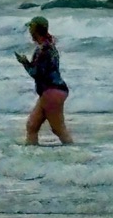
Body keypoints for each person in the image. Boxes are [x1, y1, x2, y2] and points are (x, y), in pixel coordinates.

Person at [15, 16, 73, 145]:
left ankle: (78, 156)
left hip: (51, 91)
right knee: (32, 125)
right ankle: (31, 154)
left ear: (35, 30)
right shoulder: (49, 46)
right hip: (53, 90)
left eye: (31, 27)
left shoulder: (43, 50)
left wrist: (24, 62)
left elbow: (35, 73)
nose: (29, 31)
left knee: (58, 129)